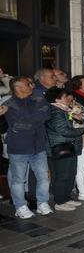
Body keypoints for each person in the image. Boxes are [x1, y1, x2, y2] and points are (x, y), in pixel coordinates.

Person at [3, 76, 53, 219]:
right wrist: (36, 118)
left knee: (43, 177)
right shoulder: (9, 104)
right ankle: (20, 207)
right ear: (18, 88)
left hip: (38, 146)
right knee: (18, 180)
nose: (32, 86)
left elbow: (47, 114)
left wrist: (28, 119)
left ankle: (42, 203)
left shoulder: (38, 97)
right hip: (19, 148)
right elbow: (17, 126)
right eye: (28, 84)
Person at [45, 87, 84, 212]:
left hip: (68, 146)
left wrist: (78, 121)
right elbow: (63, 130)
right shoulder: (55, 111)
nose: (69, 99)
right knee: (62, 175)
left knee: (70, 173)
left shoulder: (65, 110)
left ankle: (66, 198)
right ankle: (60, 201)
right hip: (60, 147)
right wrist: (81, 130)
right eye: (65, 97)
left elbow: (74, 123)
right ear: (57, 99)